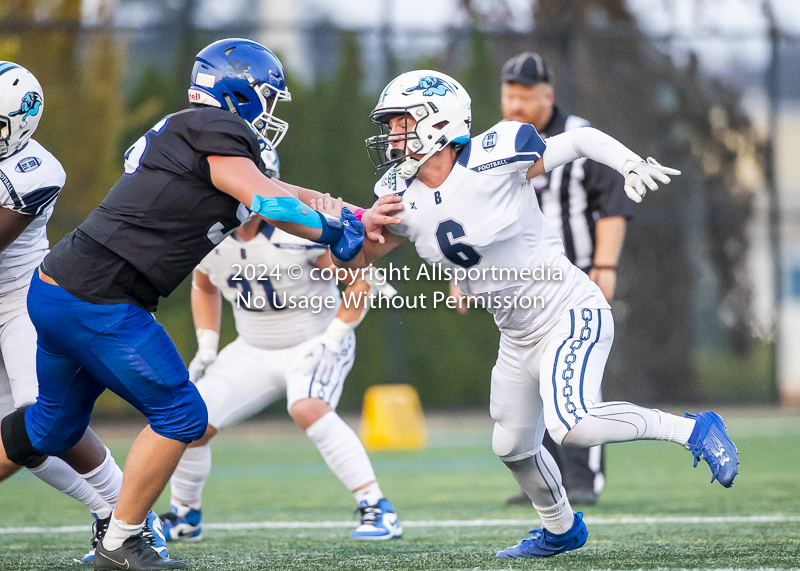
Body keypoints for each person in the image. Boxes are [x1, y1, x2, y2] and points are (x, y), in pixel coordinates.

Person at [0, 39, 386, 570]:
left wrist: (353, 213)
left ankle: (119, 535)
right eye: (268, 98)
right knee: (182, 413)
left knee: (49, 428)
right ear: (239, 94)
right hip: (103, 298)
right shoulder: (216, 130)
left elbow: (276, 187)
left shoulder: (194, 132)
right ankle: (121, 541)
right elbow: (270, 201)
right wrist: (332, 232)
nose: (270, 112)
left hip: (58, 287)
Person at [333, 69, 739, 559]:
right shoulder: (400, 193)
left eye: (400, 121)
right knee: (511, 445)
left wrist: (629, 164)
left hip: (569, 309)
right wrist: (342, 236)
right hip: (516, 334)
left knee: (574, 424)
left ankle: (694, 429)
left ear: (436, 122)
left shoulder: (494, 155)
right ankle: (561, 529)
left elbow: (583, 139)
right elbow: (360, 256)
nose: (391, 134)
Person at [160, 149, 402, 542]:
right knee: (192, 419)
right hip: (252, 347)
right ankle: (184, 514)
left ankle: (376, 507)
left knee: (307, 407)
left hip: (313, 340)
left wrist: (333, 337)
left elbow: (361, 281)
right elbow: (204, 286)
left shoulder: (298, 234)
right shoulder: (210, 239)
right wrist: (207, 345)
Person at [0, 60, 133, 562]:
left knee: (40, 421)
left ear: (21, 125)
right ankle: (106, 516)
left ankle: (134, 517)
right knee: (16, 442)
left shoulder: (35, 170)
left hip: (18, 303)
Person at [499, 51, 630, 507]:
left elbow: (613, 206)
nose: (514, 106)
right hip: (523, 288)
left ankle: (584, 479)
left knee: (577, 378)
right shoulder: (499, 145)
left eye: (524, 96)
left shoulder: (578, 137)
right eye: (509, 96)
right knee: (536, 385)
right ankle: (548, 477)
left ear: (547, 96)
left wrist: (605, 266)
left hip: (575, 278)